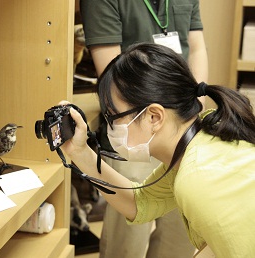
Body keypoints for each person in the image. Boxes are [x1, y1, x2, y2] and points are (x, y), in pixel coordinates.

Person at [59, 42, 255, 257]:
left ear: (154, 116)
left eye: (114, 117)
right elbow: (142, 202)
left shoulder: (198, 177)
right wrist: (80, 151)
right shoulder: (200, 135)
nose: (111, 128)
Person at [79, 0, 208, 257]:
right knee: (127, 241)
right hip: (137, 126)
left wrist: (192, 110)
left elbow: (196, 48)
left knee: (178, 235)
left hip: (177, 125)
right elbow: (113, 79)